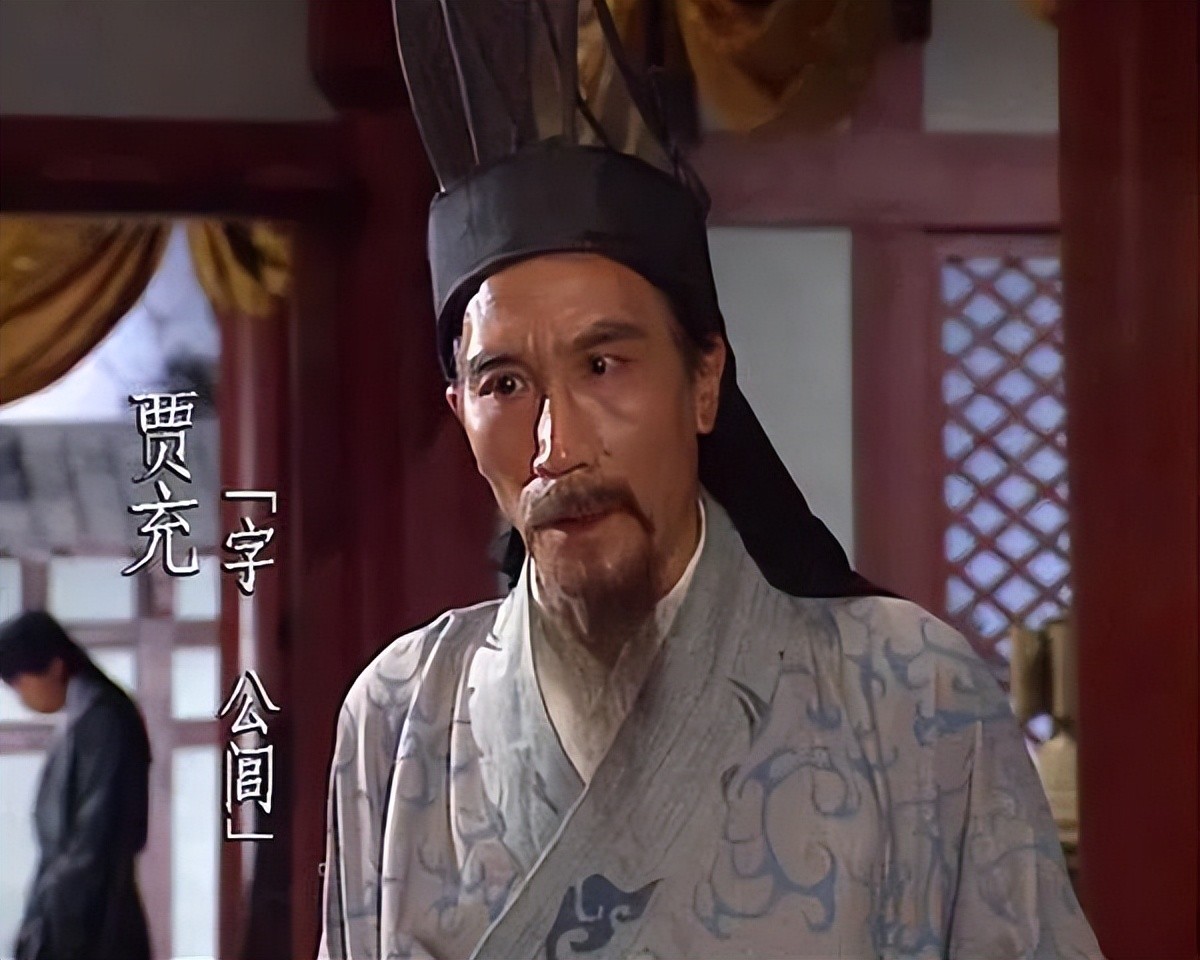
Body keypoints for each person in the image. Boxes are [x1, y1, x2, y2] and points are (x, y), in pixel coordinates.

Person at [318, 2, 1102, 957]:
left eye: (604, 366)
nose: (557, 444)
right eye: (506, 385)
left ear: (704, 381)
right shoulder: (401, 717)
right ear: (459, 411)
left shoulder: (909, 693)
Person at [0, 611, 152, 960]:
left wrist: (50, 932)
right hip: (79, 908)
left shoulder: (102, 718)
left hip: (93, 919)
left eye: (21, 684)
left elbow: (94, 842)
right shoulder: (88, 713)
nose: (22, 697)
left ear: (55, 667)